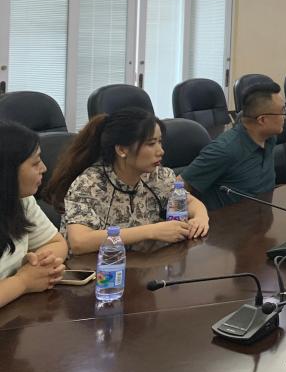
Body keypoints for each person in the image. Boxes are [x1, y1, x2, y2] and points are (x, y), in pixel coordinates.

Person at [48, 108, 209, 255]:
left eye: (160, 142)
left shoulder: (157, 176)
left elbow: (190, 202)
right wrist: (152, 231)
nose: (161, 151)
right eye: (151, 144)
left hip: (141, 265)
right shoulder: (90, 183)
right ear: (122, 150)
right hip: (97, 270)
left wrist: (200, 218)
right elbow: (79, 242)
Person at [179, 81, 286, 210]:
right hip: (227, 221)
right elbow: (178, 186)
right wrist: (195, 215)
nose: (285, 116)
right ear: (262, 120)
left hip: (263, 215)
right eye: (282, 111)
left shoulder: (269, 138)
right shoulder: (224, 149)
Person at [0, 121, 68, 309]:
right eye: (35, 162)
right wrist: (23, 281)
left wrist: (38, 264)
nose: (44, 168)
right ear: (7, 170)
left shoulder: (21, 200)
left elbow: (56, 243)